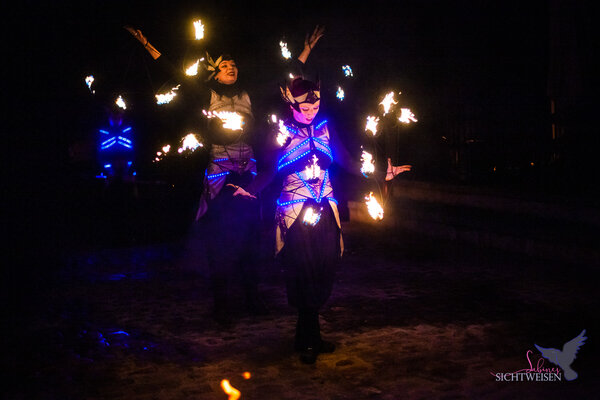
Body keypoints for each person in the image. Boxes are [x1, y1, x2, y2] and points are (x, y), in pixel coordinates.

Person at [234, 27, 410, 364]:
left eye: (315, 102)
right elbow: (271, 170)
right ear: (293, 104)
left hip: (325, 211)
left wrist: (382, 173)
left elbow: (349, 163)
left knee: (325, 269)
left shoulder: (327, 130)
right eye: (304, 104)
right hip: (295, 213)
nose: (311, 109)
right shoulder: (283, 134)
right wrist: (250, 190)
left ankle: (307, 337)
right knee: (303, 271)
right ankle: (309, 340)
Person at [125, 26, 266, 325]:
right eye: (224, 66)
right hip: (219, 171)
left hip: (248, 170)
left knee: (251, 235)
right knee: (221, 237)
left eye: (234, 64)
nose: (231, 68)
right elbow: (175, 72)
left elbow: (283, 74)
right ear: (214, 73)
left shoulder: (249, 94)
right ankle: (222, 304)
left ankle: (253, 298)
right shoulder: (207, 94)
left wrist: (305, 53)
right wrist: (147, 42)